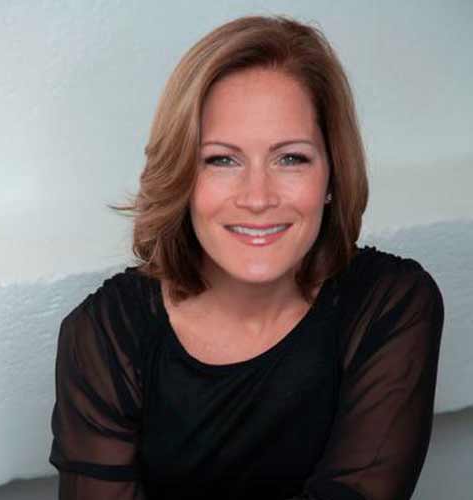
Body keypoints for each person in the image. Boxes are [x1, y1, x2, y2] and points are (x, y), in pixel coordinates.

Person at [48, 15, 444, 500]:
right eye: (222, 159)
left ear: (333, 174)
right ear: (182, 177)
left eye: (291, 158)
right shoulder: (105, 334)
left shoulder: (389, 305)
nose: (257, 197)